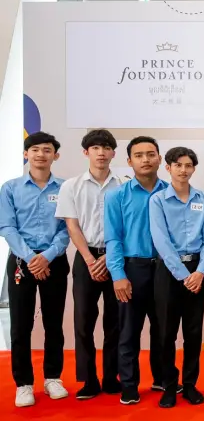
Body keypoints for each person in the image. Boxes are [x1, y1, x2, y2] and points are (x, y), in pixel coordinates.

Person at [54, 129, 125, 399]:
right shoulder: (71, 186)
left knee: (115, 321)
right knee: (83, 321)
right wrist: (90, 259)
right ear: (86, 152)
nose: (102, 152)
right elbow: (72, 225)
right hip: (85, 258)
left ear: (113, 153)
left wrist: (108, 258)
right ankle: (89, 379)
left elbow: (127, 226)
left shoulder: (123, 184)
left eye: (107, 148)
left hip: (116, 257)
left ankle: (111, 377)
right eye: (96, 148)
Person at [1, 132, 70, 407]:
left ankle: (53, 377)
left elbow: (68, 227)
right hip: (21, 261)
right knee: (20, 325)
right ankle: (24, 383)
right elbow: (7, 227)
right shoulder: (10, 188)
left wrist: (48, 256)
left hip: (55, 261)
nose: (41, 154)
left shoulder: (66, 188)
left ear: (56, 155)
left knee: (54, 323)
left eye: (47, 150)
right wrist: (32, 258)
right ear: (26, 154)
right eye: (35, 149)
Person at [104, 136, 167, 405]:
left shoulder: (171, 192)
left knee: (164, 329)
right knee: (128, 331)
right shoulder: (116, 195)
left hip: (165, 269)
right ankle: (129, 385)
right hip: (132, 268)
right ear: (129, 161)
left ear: (160, 159)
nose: (145, 159)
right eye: (139, 155)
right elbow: (113, 238)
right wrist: (118, 275)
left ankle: (163, 378)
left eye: (151, 154)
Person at [149, 147, 204, 408]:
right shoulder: (158, 200)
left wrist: (201, 270)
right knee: (166, 332)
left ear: (194, 168)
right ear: (168, 168)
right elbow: (160, 239)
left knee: (193, 332)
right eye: (178, 165)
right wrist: (184, 275)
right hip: (169, 271)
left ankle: (189, 385)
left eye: (188, 165)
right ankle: (168, 384)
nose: (183, 170)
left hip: (197, 269)